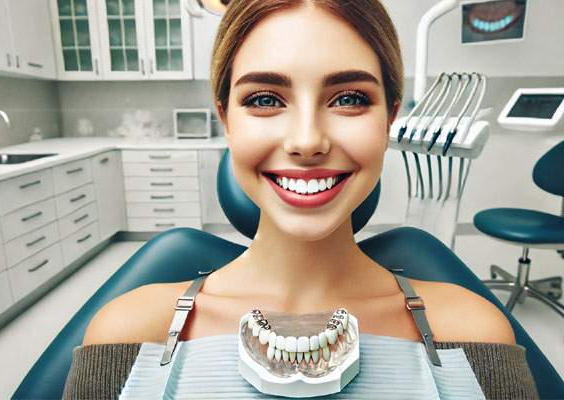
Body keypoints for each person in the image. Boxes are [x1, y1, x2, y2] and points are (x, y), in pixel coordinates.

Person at [64, 0, 538, 398]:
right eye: (265, 100)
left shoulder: (473, 331)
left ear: (389, 118)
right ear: (225, 116)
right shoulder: (130, 330)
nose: (307, 140)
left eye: (349, 98)